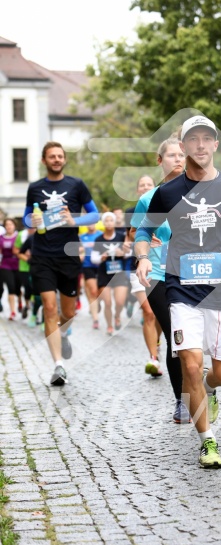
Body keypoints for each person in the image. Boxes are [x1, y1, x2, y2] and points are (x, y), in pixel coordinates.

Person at [135, 115, 221, 469]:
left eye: (208, 139)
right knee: (189, 363)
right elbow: (144, 232)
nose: (201, 145)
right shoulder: (168, 192)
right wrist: (144, 258)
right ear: (184, 146)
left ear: (216, 145)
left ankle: (209, 386)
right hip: (180, 288)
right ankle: (207, 441)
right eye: (194, 139)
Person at [24, 141, 99, 386]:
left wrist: (73, 219)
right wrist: (32, 220)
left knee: (68, 312)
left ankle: (64, 333)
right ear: (44, 161)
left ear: (64, 159)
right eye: (51, 156)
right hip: (42, 255)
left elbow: (95, 215)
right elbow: (27, 218)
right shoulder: (35, 188)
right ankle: (58, 365)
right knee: (49, 307)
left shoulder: (76, 185)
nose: (56, 159)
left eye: (60, 156)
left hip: (68, 256)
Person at [131, 134, 190, 422]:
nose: (178, 159)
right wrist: (143, 245)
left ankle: (203, 389)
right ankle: (181, 400)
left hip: (192, 272)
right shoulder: (147, 199)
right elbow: (137, 234)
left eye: (182, 155)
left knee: (195, 338)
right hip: (157, 275)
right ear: (160, 160)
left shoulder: (198, 193)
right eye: (172, 155)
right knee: (175, 335)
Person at [126, 175, 163, 376]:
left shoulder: (165, 204)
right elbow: (129, 234)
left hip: (163, 268)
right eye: (142, 185)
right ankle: (153, 358)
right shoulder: (133, 212)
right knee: (148, 312)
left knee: (160, 314)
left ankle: (156, 342)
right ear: (138, 190)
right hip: (138, 267)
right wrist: (143, 235)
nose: (146, 188)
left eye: (149, 185)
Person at [91, 212, 129, 335]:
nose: (108, 223)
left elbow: (129, 253)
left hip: (119, 273)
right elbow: (93, 258)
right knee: (107, 303)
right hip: (104, 274)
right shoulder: (99, 239)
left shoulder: (121, 237)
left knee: (120, 302)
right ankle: (109, 325)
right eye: (106, 220)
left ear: (114, 222)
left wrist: (122, 253)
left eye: (110, 220)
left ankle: (117, 316)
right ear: (103, 223)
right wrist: (101, 257)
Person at [79, 223, 103, 329]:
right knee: (93, 291)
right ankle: (95, 319)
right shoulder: (82, 237)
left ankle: (97, 303)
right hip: (87, 266)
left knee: (101, 291)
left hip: (101, 265)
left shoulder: (101, 235)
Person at [13, 226, 36, 319]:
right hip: (24, 267)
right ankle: (27, 306)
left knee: (36, 289)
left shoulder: (42, 235)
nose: (32, 228)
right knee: (27, 288)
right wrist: (27, 259)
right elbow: (16, 250)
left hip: (38, 267)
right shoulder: (21, 235)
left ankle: (35, 309)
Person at [0, 218, 20, 320]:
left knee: (18, 288)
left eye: (11, 224)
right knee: (11, 287)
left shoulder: (18, 236)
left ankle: (21, 302)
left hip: (18, 264)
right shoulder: (1, 238)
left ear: (14, 225)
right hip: (5, 264)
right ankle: (12, 311)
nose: (9, 226)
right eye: (7, 225)